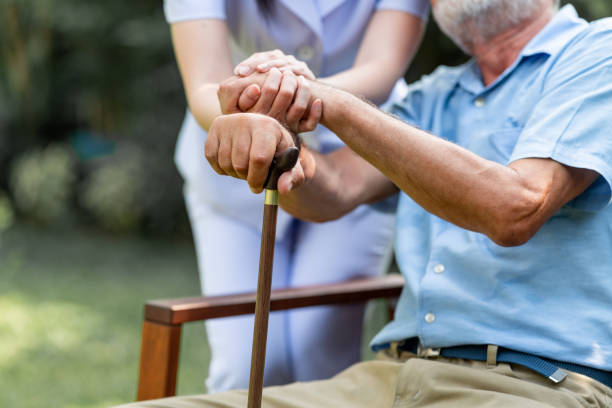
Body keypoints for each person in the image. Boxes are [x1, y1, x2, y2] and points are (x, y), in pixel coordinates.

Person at [121, 0, 612, 406]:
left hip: (534, 384)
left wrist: (325, 100)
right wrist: (273, 139)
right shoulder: (431, 97)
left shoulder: (598, 53)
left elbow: (516, 208)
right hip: (393, 377)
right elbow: (332, 191)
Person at [164, 0, 429, 392]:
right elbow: (204, 81)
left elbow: (383, 67)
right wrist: (251, 111)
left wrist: (294, 92)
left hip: (356, 163)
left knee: (320, 355)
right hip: (236, 174)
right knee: (244, 368)